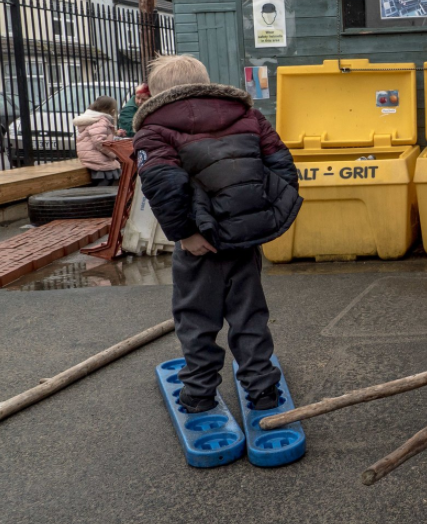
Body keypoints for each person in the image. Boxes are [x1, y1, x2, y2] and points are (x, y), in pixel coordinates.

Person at [132, 55, 302, 414]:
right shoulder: (246, 115)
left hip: (198, 242)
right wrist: (264, 217)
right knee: (249, 314)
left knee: (196, 317)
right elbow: (280, 164)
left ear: (154, 93)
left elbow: (164, 183)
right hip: (244, 238)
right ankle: (262, 392)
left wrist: (186, 233)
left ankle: (198, 393)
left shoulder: (154, 127)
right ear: (205, 81)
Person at [73, 96, 122, 186]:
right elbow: (99, 142)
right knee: (113, 169)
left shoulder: (93, 118)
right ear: (112, 111)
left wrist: (117, 134)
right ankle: (105, 196)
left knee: (114, 167)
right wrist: (114, 154)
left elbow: (99, 135)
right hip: (95, 156)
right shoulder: (101, 121)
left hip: (89, 154)